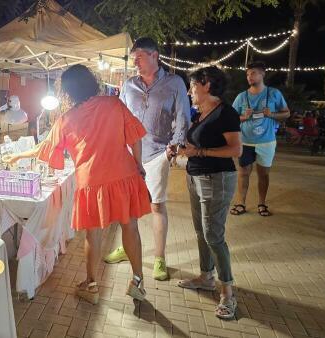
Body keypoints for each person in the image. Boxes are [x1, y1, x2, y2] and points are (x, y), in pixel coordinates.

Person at [37, 65, 151, 304]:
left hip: (91, 182)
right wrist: (139, 165)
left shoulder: (66, 119)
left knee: (93, 234)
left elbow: (48, 153)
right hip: (124, 175)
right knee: (130, 228)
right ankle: (138, 281)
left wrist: (17, 157)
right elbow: (136, 138)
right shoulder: (113, 104)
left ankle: (91, 286)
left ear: (66, 91)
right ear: (92, 81)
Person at [105, 37, 190, 282]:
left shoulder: (174, 83)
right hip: (128, 154)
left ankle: (160, 257)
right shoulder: (129, 84)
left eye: (139, 57)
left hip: (156, 153)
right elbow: (118, 116)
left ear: (155, 56)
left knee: (156, 205)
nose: (136, 63)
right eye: (134, 59)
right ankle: (127, 246)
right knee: (126, 207)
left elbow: (183, 116)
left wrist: (174, 146)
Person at [177, 66, 242, 320]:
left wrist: (200, 153)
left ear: (206, 84)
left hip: (217, 178)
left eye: (193, 85)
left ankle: (227, 292)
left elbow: (235, 150)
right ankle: (206, 276)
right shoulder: (201, 113)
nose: (190, 91)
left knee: (214, 235)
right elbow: (198, 144)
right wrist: (183, 149)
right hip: (195, 177)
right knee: (200, 232)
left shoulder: (226, 113)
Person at [230, 62, 290, 217]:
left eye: (253, 73)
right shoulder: (242, 97)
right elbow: (231, 118)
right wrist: (244, 117)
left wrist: (272, 115)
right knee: (243, 173)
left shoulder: (274, 93)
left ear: (263, 74)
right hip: (245, 141)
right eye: (248, 74)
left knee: (263, 174)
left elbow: (286, 113)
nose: (250, 76)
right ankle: (241, 203)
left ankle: (262, 203)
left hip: (267, 141)